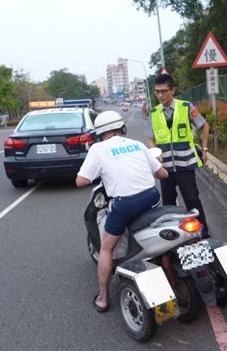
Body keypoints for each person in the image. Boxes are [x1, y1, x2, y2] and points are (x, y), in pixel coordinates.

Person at [76, 110, 168, 313]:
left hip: (126, 204)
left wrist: (98, 173)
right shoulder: (137, 144)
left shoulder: (98, 149)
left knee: (106, 249)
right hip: (151, 198)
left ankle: (103, 299)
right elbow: (163, 173)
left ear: (99, 133)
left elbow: (80, 180)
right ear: (122, 127)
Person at [143, 74, 210, 238]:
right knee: (168, 205)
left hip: (185, 166)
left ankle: (203, 232)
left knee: (192, 201)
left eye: (164, 91)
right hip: (165, 169)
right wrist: (154, 153)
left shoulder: (186, 107)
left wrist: (205, 148)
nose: (160, 95)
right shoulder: (154, 113)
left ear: (173, 90)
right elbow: (150, 138)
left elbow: (204, 126)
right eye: (157, 92)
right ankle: (173, 237)